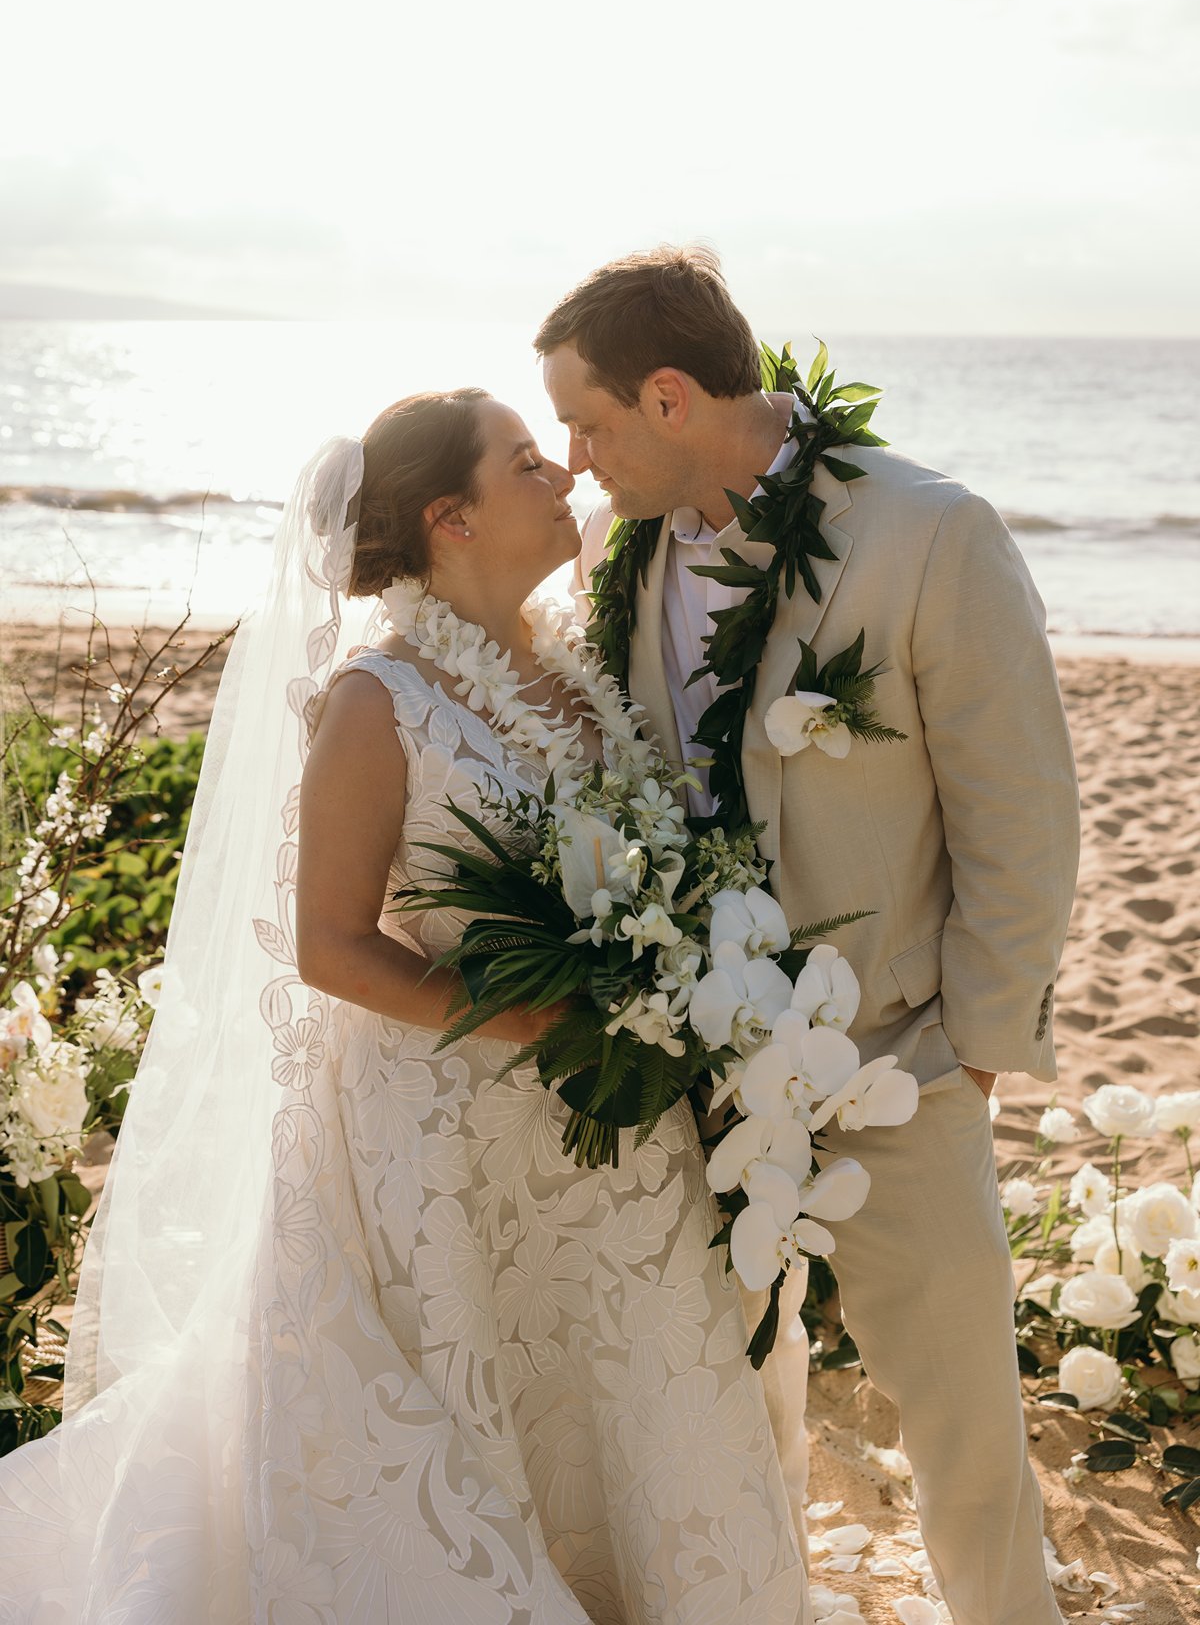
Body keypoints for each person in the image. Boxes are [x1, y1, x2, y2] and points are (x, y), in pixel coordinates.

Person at [0, 388, 812, 1624]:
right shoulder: (376, 702)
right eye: (529, 464)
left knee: (626, 1382)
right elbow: (327, 944)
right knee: (467, 1401)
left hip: (608, 1113)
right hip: (437, 1138)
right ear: (452, 517)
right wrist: (523, 1018)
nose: (564, 478)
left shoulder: (578, 670)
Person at [538, 246, 1081, 1625]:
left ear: (669, 400)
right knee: (710, 1408)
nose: (574, 461)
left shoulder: (927, 534)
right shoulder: (619, 544)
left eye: (588, 425)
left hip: (896, 1056)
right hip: (686, 1064)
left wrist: (975, 1050)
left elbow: (1021, 812)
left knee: (962, 1429)